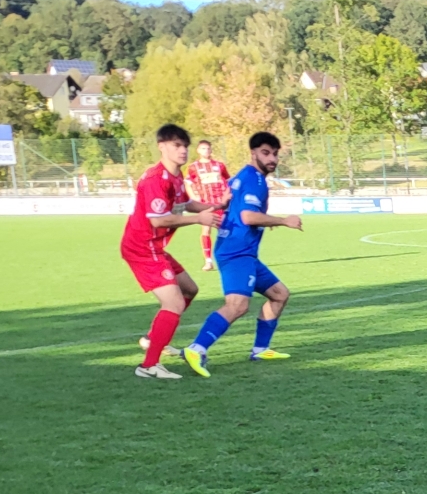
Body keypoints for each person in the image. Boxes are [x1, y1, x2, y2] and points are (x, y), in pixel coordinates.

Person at [182, 132, 303, 377]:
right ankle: (196, 348)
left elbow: (236, 208)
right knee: (237, 305)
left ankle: (260, 349)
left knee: (279, 294)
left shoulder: (242, 176)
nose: (272, 159)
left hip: (243, 251)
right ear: (253, 153)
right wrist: (283, 221)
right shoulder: (254, 180)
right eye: (265, 153)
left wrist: (264, 220)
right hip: (237, 251)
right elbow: (248, 216)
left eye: (275, 154)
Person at [120, 123, 222, 380]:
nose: (183, 150)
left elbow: (185, 203)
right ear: (162, 147)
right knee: (174, 303)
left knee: (189, 290)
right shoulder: (156, 179)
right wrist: (199, 220)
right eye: (177, 145)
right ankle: (149, 366)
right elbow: (158, 220)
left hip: (154, 247)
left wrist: (215, 206)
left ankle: (153, 339)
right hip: (142, 248)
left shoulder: (176, 176)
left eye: (185, 145)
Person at [183, 139, 231, 271]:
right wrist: (193, 197)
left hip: (221, 203)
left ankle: (228, 259)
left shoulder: (219, 165)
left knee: (225, 230)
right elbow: (187, 183)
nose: (206, 151)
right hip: (205, 203)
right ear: (198, 150)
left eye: (208, 148)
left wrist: (228, 196)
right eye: (203, 148)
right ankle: (208, 261)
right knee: (206, 230)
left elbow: (228, 181)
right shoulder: (193, 167)